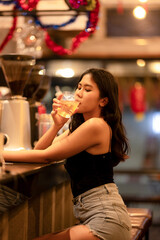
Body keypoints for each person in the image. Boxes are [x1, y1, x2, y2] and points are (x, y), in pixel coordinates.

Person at [3, 68, 131, 240]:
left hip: (107, 219)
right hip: (96, 216)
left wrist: (2, 153)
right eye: (79, 87)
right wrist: (56, 125)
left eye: (87, 89)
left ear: (103, 101)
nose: (78, 93)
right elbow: (39, 152)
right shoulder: (81, 127)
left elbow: (46, 157)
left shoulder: (96, 125)